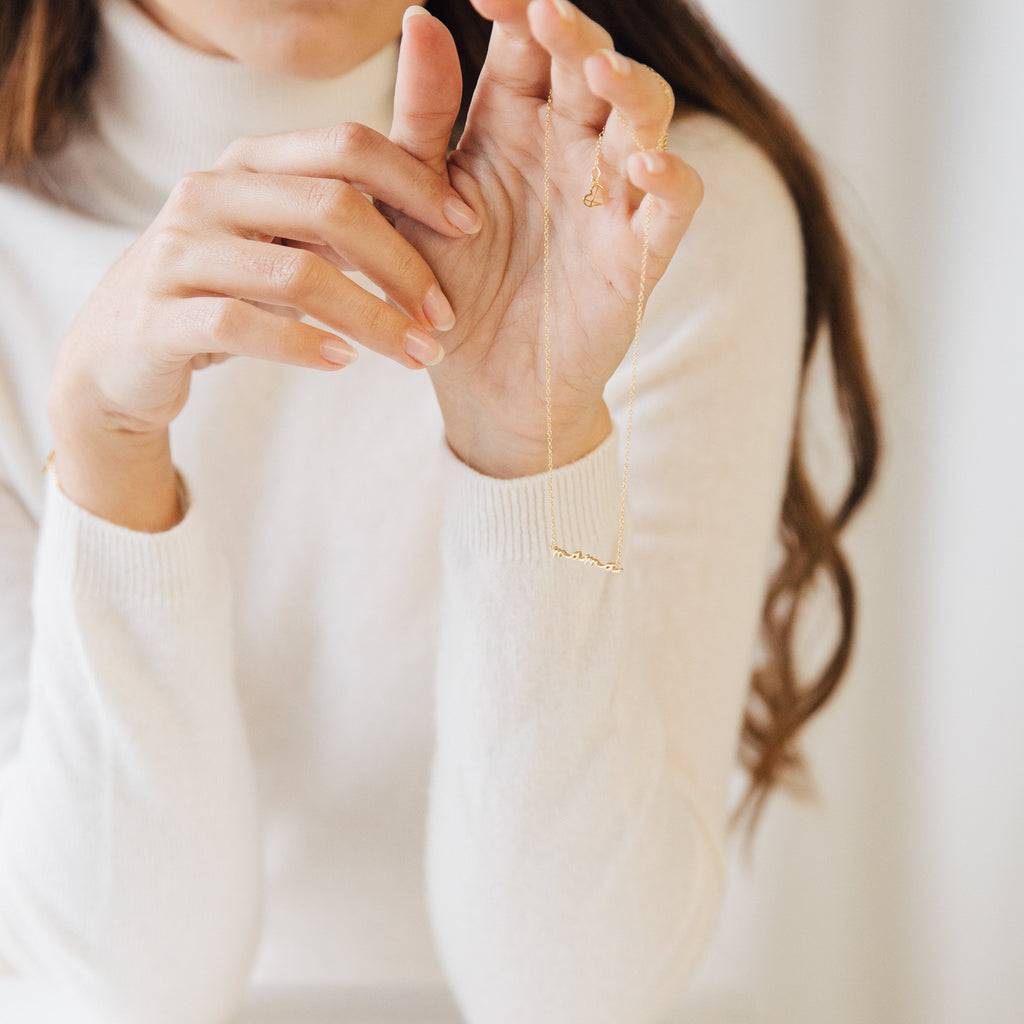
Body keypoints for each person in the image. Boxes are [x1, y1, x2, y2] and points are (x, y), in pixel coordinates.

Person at [0, 0, 881, 1020]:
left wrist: (528, 444)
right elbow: (120, 988)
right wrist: (107, 460)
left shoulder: (639, 207)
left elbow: (577, 991)